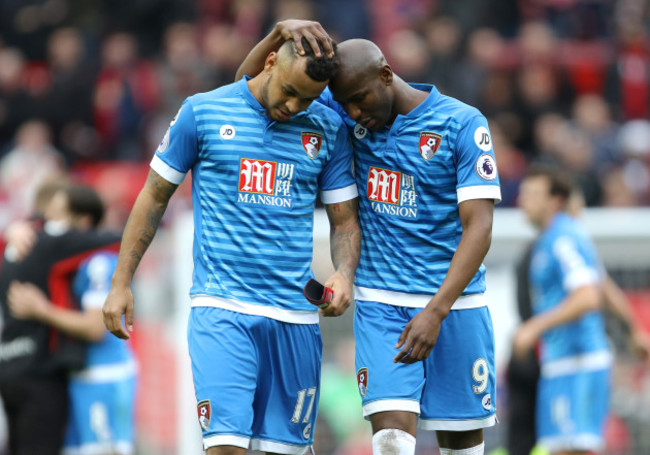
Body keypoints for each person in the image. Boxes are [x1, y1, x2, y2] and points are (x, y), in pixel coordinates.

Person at [237, 21, 501, 455]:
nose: (355, 113)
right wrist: (278, 35)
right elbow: (246, 88)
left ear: (385, 75)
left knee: (462, 444)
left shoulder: (462, 124)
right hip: (382, 303)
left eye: (359, 101)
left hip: (456, 304)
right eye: (346, 104)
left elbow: (480, 227)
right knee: (392, 440)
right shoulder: (344, 110)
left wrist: (436, 312)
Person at [102, 37, 360, 455]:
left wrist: (344, 272)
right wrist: (121, 281)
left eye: (306, 99)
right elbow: (153, 195)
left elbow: (344, 218)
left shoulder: (326, 128)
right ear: (270, 61)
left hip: (294, 318)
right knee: (225, 447)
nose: (293, 106)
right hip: (223, 309)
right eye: (289, 91)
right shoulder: (202, 112)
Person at [6, 184, 137, 455]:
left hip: (103, 374)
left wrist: (42, 310)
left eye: (58, 216)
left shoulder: (100, 261)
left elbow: (94, 328)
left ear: (83, 221)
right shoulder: (72, 260)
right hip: (77, 375)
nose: (51, 223)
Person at [512, 165, 611, 454]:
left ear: (555, 200)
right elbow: (603, 284)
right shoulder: (550, 239)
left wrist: (534, 326)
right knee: (560, 448)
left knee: (574, 449)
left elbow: (588, 296)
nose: (523, 201)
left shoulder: (563, 238)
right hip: (561, 358)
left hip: (578, 359)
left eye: (532, 194)